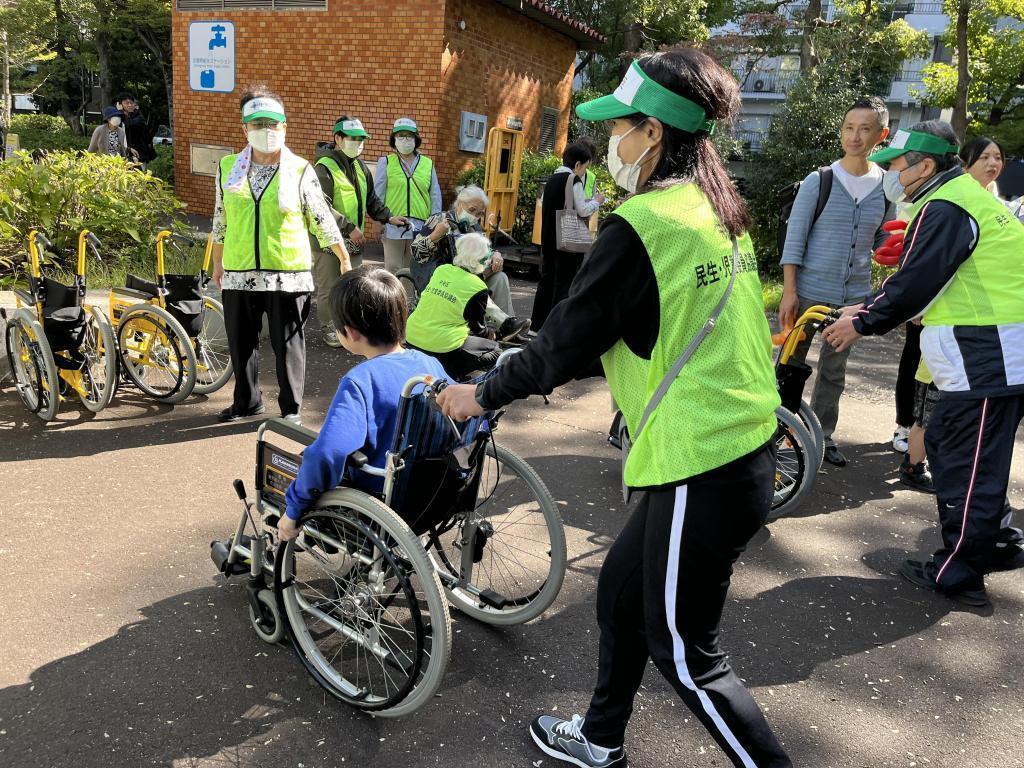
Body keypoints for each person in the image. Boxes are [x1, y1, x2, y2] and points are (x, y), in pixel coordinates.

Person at [438, 49, 791, 768]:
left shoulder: (643, 224)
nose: (609, 150)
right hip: (735, 447)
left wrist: (477, 393)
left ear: (653, 133)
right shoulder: (717, 210)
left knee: (689, 657)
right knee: (621, 597)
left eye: (620, 128)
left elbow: (562, 345)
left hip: (707, 461)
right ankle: (600, 741)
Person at [823, 120, 1024, 607]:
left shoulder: (947, 206)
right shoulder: (966, 199)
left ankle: (959, 570)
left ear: (924, 165)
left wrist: (862, 323)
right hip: (998, 352)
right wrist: (865, 307)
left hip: (986, 354)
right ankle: (996, 542)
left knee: (961, 458)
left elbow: (915, 280)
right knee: (980, 455)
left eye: (895, 164)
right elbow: (933, 281)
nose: (889, 171)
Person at [210, 85, 348, 424]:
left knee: (287, 345)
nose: (266, 131)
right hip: (239, 272)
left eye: (272, 123)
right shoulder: (228, 167)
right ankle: (247, 401)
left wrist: (344, 259)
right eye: (257, 124)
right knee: (242, 344)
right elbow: (220, 219)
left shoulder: (300, 169)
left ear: (284, 126)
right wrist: (217, 263)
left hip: (288, 275)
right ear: (244, 128)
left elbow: (322, 220)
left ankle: (290, 411)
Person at [280, 266, 447, 541]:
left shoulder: (361, 381)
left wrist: (293, 510)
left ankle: (287, 531)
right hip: (432, 494)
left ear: (350, 332)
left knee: (296, 464)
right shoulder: (430, 365)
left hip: (379, 499)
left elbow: (329, 453)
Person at [778, 96, 895, 467]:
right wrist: (789, 291)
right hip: (809, 292)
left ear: (882, 134)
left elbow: (879, 240)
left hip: (852, 300)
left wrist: (894, 247)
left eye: (864, 129)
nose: (854, 136)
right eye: (848, 127)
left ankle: (822, 436)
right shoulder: (821, 181)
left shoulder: (886, 187)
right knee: (789, 365)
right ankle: (774, 429)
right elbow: (795, 238)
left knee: (834, 372)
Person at [312, 116, 408, 348]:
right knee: (329, 286)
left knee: (351, 285)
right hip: (327, 241)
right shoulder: (323, 168)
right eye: (353, 139)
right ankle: (329, 328)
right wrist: (348, 226)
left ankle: (347, 327)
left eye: (361, 139)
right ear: (338, 139)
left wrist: (388, 217)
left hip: (353, 242)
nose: (359, 144)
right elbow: (320, 206)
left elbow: (371, 200)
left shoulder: (360, 166)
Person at [411, 185, 530, 341]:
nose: (475, 216)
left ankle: (509, 329)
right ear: (460, 204)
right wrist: (434, 236)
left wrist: (495, 254)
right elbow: (416, 252)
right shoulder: (439, 219)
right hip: (442, 278)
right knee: (471, 286)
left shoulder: (473, 226)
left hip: (468, 277)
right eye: (472, 210)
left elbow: (484, 251)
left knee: (500, 278)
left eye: (480, 213)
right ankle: (506, 325)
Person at [406, 233, 502, 379]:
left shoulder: (441, 270)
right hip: (442, 349)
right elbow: (478, 329)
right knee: (496, 351)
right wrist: (491, 333)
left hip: (412, 339)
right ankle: (452, 375)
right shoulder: (478, 286)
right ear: (482, 259)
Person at [531, 142, 606, 330]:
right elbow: (581, 210)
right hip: (567, 240)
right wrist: (597, 201)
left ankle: (535, 325)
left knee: (547, 281)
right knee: (564, 285)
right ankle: (554, 328)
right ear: (578, 164)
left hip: (548, 238)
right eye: (585, 168)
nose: (584, 173)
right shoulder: (574, 180)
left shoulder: (552, 179)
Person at [375, 118, 443, 273]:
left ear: (416, 138)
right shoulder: (385, 162)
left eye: (409, 135)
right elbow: (378, 193)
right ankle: (394, 298)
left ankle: (410, 298)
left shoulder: (428, 163)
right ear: (394, 139)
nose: (405, 139)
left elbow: (435, 195)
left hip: (421, 227)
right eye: (400, 135)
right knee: (393, 269)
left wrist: (435, 223)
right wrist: (378, 220)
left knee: (414, 270)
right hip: (393, 224)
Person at [116, 92, 156, 168]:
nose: (130, 105)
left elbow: (128, 124)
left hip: (139, 154)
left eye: (131, 103)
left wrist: (120, 112)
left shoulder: (139, 117)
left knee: (139, 176)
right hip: (124, 154)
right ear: (120, 104)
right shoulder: (118, 117)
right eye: (127, 103)